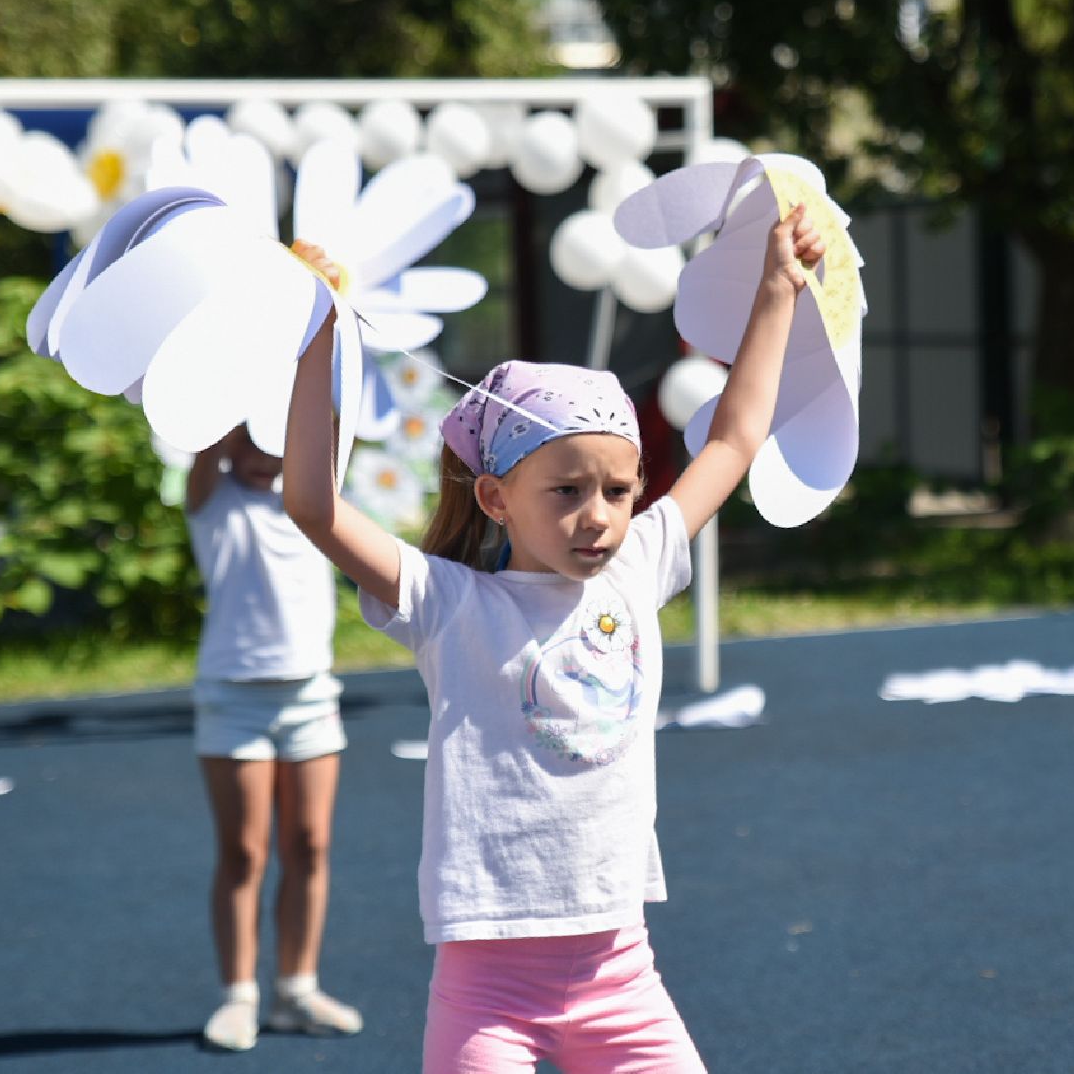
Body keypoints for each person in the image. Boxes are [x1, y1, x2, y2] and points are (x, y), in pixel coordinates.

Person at [282, 203, 825, 1072]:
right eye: (565, 491)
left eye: (617, 489)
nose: (598, 516)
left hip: (624, 976)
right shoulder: (449, 603)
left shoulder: (639, 565)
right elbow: (311, 504)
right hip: (488, 994)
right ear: (496, 498)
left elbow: (734, 435)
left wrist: (775, 289)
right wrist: (316, 335)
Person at [184, 425, 363, 1050]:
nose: (265, 461)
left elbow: (333, 427)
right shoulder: (213, 497)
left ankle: (296, 990)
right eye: (252, 444)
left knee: (310, 844)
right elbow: (210, 435)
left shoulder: (314, 499)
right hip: (233, 700)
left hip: (311, 696)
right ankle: (239, 996)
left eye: (277, 445)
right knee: (244, 852)